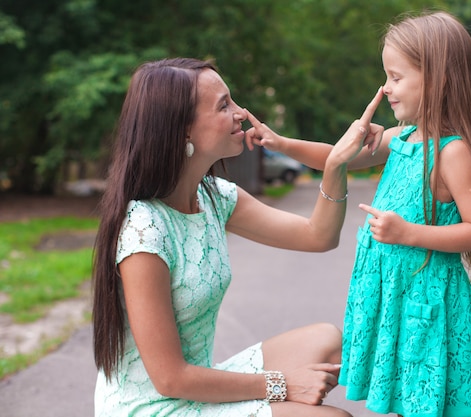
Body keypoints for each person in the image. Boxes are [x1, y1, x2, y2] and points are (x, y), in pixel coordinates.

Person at [91, 57, 385, 417]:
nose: (241, 113)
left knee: (327, 341)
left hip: (195, 384)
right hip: (154, 405)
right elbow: (170, 378)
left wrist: (336, 164)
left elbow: (318, 236)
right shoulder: (144, 231)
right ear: (183, 130)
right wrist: (282, 384)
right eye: (223, 105)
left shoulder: (214, 196)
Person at [245, 11, 471, 417]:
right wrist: (281, 142)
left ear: (436, 80)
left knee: (426, 401)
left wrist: (408, 233)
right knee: (407, 399)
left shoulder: (452, 152)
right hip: (394, 300)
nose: (386, 88)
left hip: (425, 305)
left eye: (396, 77)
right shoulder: (402, 138)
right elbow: (338, 157)